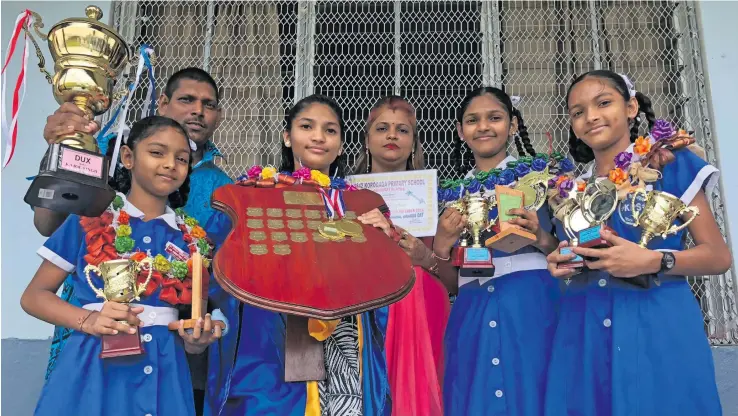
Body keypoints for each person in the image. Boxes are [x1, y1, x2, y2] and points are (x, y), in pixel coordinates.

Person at [37, 68, 231, 413]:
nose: (170, 164)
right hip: (92, 369)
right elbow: (34, 295)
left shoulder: (192, 239)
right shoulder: (91, 218)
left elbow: (207, 310)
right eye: (156, 153)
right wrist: (87, 321)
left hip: (167, 375)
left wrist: (201, 337)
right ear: (127, 157)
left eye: (181, 159)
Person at [544, 70, 731, 415]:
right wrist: (562, 261)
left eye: (604, 103)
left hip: (656, 322)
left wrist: (655, 260)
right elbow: (581, 257)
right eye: (578, 112)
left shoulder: (668, 163)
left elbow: (718, 256)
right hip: (583, 327)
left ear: (631, 108)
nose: (591, 117)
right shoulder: (570, 189)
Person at [205, 94, 394, 415]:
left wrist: (381, 240)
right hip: (267, 333)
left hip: (341, 336)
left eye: (330, 130)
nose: (319, 137)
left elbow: (381, 286)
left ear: (342, 144)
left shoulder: (356, 204)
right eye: (307, 126)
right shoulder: (253, 192)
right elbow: (218, 266)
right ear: (287, 136)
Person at [434, 87, 561, 415]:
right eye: (473, 120)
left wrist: (539, 236)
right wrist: (442, 243)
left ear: (514, 124)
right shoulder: (450, 195)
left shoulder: (544, 181)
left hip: (533, 307)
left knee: (536, 395)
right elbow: (449, 281)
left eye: (495, 117)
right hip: (472, 309)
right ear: (461, 132)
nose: (484, 127)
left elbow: (573, 253)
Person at [354, 95, 451, 416]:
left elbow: (454, 280)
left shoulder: (437, 200)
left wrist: (426, 257)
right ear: (367, 140)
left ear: (413, 143)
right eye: (382, 128)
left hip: (424, 307)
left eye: (402, 130)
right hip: (365, 314)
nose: (392, 136)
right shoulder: (342, 195)